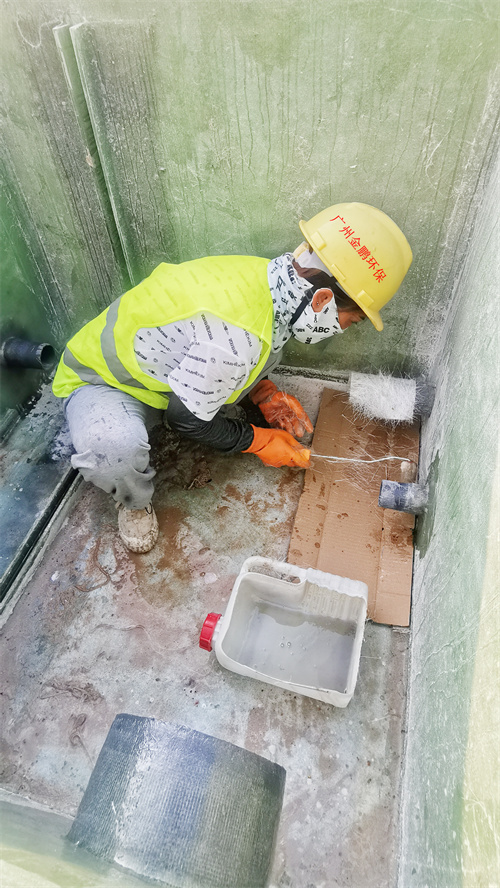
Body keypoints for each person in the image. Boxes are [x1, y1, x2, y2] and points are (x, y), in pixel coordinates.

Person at [52, 202, 412, 553]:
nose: (343, 329)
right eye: (351, 320)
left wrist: (263, 392)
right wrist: (258, 441)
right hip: (103, 382)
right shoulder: (237, 339)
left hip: (159, 371)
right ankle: (134, 502)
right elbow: (185, 421)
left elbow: (235, 347)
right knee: (115, 450)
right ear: (320, 302)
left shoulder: (269, 281)